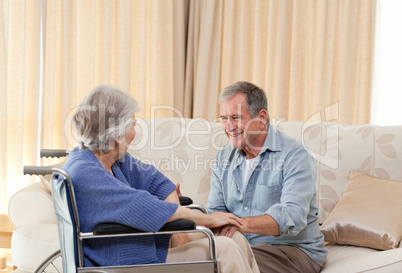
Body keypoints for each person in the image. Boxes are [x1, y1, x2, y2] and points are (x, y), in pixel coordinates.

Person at [63, 84, 259, 273]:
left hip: (149, 244)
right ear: (118, 135)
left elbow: (160, 183)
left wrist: (177, 235)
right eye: (133, 124)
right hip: (128, 258)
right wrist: (208, 219)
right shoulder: (86, 173)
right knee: (225, 248)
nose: (134, 133)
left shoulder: (113, 160)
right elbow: (144, 206)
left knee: (235, 238)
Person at [206, 81, 328, 273]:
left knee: (222, 267)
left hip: (290, 251)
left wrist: (242, 224)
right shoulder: (223, 157)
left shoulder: (294, 155)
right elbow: (215, 211)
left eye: (236, 118)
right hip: (240, 247)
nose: (228, 127)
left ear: (261, 118)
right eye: (224, 118)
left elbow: (292, 216)